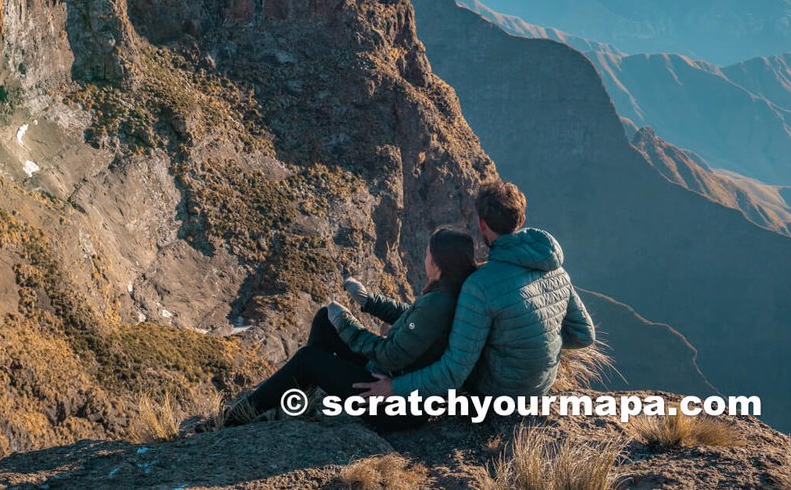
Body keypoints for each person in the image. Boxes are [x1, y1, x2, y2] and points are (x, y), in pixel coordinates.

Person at [357, 180, 595, 402]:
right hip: (541, 386)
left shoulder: (479, 285)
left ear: (481, 223)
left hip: (497, 394)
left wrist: (394, 388)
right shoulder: (556, 269)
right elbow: (584, 335)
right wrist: (536, 343)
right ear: (521, 220)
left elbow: (454, 371)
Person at [223, 227, 478, 425]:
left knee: (309, 359)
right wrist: (369, 301)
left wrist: (346, 323)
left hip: (393, 406)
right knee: (324, 319)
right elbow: (413, 319)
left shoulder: (438, 303)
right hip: (397, 386)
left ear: (438, 264)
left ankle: (235, 417)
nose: (425, 258)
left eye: (427, 254)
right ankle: (300, 403)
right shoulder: (451, 292)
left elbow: (388, 355)